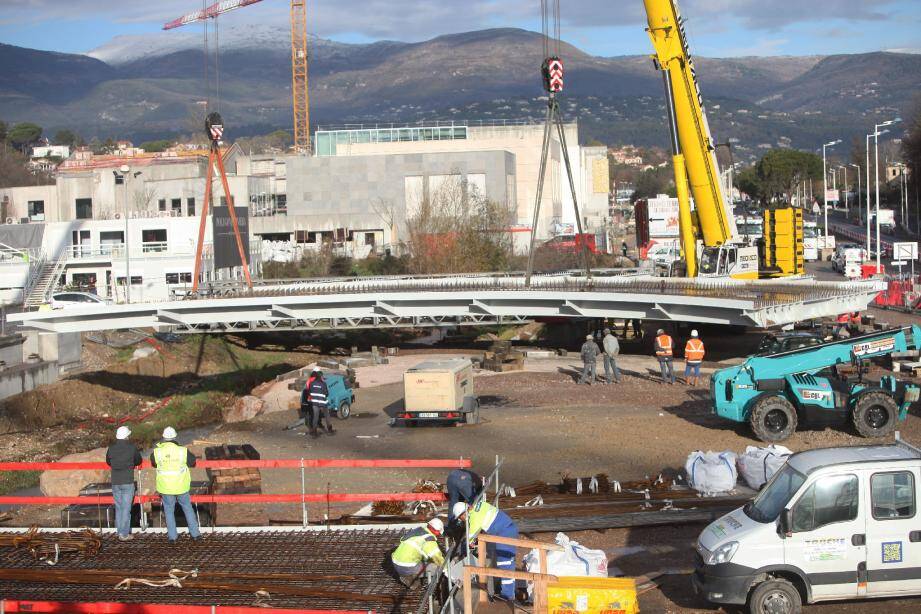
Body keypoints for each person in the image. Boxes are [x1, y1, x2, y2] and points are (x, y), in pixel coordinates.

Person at [454, 500, 519, 601]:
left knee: (504, 564)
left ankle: (507, 596)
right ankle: (512, 592)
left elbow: (470, 540)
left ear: (463, 513)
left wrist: (465, 551)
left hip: (503, 533)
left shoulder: (474, 519)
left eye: (460, 518)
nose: (461, 520)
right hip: (509, 528)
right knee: (509, 562)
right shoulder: (478, 504)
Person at [150, 426, 201, 543]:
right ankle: (195, 535)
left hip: (166, 487)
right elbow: (192, 461)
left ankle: (173, 537)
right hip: (181, 485)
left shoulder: (157, 452)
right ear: (175, 437)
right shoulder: (182, 450)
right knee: (187, 508)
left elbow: (153, 462)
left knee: (168, 510)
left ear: (163, 437)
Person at [105, 425, 141, 541]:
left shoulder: (111, 448)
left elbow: (108, 461)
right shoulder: (131, 448)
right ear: (127, 436)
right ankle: (124, 534)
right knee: (126, 508)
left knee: (119, 507)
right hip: (127, 481)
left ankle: (120, 531)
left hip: (115, 481)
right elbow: (138, 460)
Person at [390, 518, 446, 587]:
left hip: (395, 563)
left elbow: (402, 539)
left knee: (424, 557)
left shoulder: (417, 531)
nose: (439, 535)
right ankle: (409, 577)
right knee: (437, 568)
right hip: (407, 567)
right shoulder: (429, 540)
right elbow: (437, 557)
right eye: (439, 533)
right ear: (437, 531)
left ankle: (408, 575)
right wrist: (446, 568)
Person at [307, 370, 334, 438]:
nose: (322, 377)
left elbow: (309, 392)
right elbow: (326, 393)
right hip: (323, 403)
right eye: (322, 376)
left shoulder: (311, 383)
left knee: (315, 417)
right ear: (320, 376)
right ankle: (330, 430)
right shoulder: (323, 384)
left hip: (314, 403)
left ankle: (314, 432)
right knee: (327, 415)